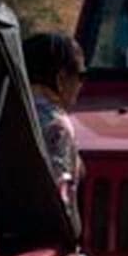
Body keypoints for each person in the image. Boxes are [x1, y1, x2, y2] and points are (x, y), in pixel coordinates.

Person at [23, 30, 85, 213]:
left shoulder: (7, 114)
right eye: (81, 75)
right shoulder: (57, 128)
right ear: (61, 79)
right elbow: (60, 200)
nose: (82, 84)